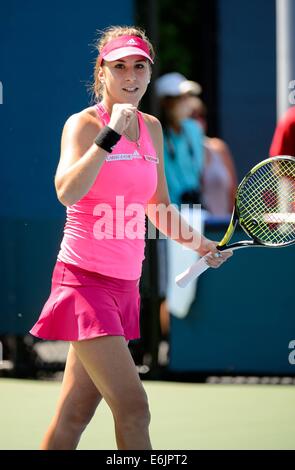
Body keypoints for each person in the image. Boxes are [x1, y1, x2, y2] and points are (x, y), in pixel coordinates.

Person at [29, 26, 232, 450]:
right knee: (134, 407)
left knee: (73, 416)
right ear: (101, 72)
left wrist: (201, 245)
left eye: (139, 66)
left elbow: (157, 207)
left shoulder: (153, 128)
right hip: (83, 283)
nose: (130, 76)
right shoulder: (83, 125)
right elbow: (66, 191)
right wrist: (109, 136)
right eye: (119, 66)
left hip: (124, 287)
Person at [155, 72, 204, 207]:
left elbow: (199, 170)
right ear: (166, 102)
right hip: (165, 211)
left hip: (195, 207)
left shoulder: (194, 129)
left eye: (187, 97)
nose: (187, 102)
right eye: (180, 97)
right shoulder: (154, 132)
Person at [188, 94, 238, 216]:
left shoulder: (219, 147)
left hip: (223, 226)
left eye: (201, 116)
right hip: (194, 227)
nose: (198, 121)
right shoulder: (175, 153)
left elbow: (233, 190)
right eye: (192, 117)